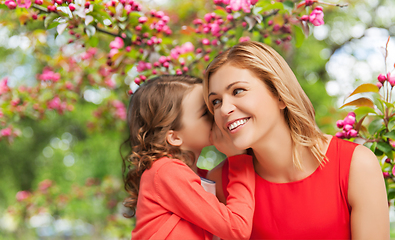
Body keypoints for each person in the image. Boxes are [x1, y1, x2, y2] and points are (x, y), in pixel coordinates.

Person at [203, 41, 390, 239]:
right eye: (216, 101)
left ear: (280, 95)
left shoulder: (356, 165)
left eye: (238, 91)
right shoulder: (219, 183)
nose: (224, 109)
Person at [122, 75, 255, 240]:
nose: (217, 114)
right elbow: (237, 229)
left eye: (213, 105)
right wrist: (238, 158)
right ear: (175, 137)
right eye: (205, 113)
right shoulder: (166, 171)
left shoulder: (198, 176)